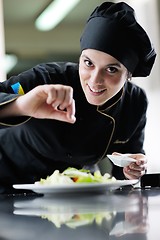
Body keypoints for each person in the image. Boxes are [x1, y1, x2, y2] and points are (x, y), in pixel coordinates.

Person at [0, 1, 156, 193]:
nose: (95, 79)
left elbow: (126, 168)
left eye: (111, 69)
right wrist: (22, 105)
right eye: (88, 63)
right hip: (7, 180)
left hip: (73, 190)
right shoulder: (47, 79)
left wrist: (132, 170)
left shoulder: (134, 102)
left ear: (128, 76)